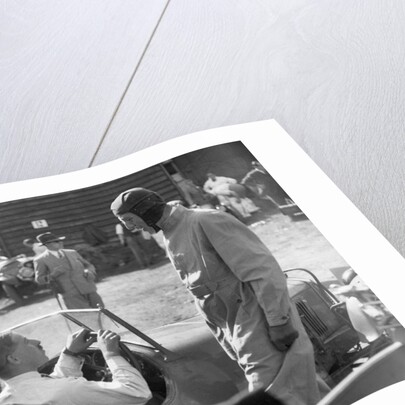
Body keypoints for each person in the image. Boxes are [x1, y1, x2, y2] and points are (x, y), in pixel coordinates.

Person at [110, 188, 323, 405]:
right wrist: (225, 337)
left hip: (255, 313)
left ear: (144, 210)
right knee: (293, 383)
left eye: (129, 219)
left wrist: (278, 321)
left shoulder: (206, 220)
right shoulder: (169, 233)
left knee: (271, 389)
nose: (129, 227)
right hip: (230, 322)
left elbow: (263, 271)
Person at [0, 329, 152, 404]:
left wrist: (70, 353)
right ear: (14, 358)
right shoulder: (66, 390)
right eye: (26, 342)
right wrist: (112, 355)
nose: (37, 341)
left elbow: (48, 385)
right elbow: (138, 392)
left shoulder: (6, 398)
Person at [34, 232, 104, 309]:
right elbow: (40, 279)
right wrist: (53, 274)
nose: (60, 242)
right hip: (70, 294)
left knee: (103, 312)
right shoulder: (41, 260)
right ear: (47, 244)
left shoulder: (72, 252)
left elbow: (88, 265)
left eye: (60, 240)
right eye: (56, 241)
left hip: (88, 288)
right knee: (85, 317)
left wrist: (89, 271)